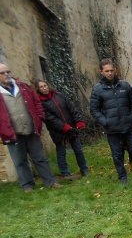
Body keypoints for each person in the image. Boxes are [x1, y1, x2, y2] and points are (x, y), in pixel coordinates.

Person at [0, 63, 61, 191]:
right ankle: (27, 186)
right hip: (12, 134)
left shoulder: (23, 87)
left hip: (31, 130)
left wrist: (39, 119)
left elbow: (37, 103)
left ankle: (50, 182)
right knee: (20, 162)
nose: (6, 75)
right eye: (3, 73)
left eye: (8, 71)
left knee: (40, 158)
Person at [90, 58, 132, 184]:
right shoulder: (97, 89)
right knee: (117, 155)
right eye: (107, 71)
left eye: (111, 70)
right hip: (112, 130)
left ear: (115, 70)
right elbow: (94, 110)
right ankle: (123, 177)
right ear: (101, 72)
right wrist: (105, 122)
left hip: (128, 127)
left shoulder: (125, 85)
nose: (110, 73)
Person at [35, 79, 89, 178]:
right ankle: (65, 173)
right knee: (61, 152)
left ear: (48, 85)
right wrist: (64, 127)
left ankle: (84, 169)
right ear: (38, 89)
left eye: (45, 86)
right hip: (58, 131)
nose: (44, 88)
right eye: (41, 87)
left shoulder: (59, 95)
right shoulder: (41, 103)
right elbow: (49, 119)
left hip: (71, 128)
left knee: (78, 149)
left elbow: (71, 108)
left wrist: (79, 121)